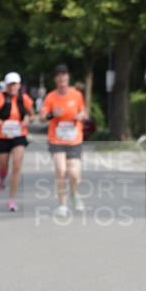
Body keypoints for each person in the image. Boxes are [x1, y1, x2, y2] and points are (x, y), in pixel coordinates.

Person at [39, 65, 89, 217]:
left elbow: (84, 112)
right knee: (61, 171)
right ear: (55, 80)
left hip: (74, 139)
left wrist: (81, 116)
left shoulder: (76, 95)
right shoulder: (50, 97)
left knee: (74, 174)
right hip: (57, 139)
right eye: (58, 76)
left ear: (68, 78)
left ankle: (74, 194)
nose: (62, 79)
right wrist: (52, 114)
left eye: (64, 76)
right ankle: (62, 205)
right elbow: (42, 117)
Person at [0, 72, 35, 211]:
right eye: (10, 84)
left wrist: (27, 120)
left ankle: (11, 199)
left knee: (17, 165)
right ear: (6, 85)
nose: (13, 87)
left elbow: (31, 115)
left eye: (15, 84)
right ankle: (0, 179)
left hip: (19, 134)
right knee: (3, 166)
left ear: (19, 85)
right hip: (2, 135)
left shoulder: (24, 99)